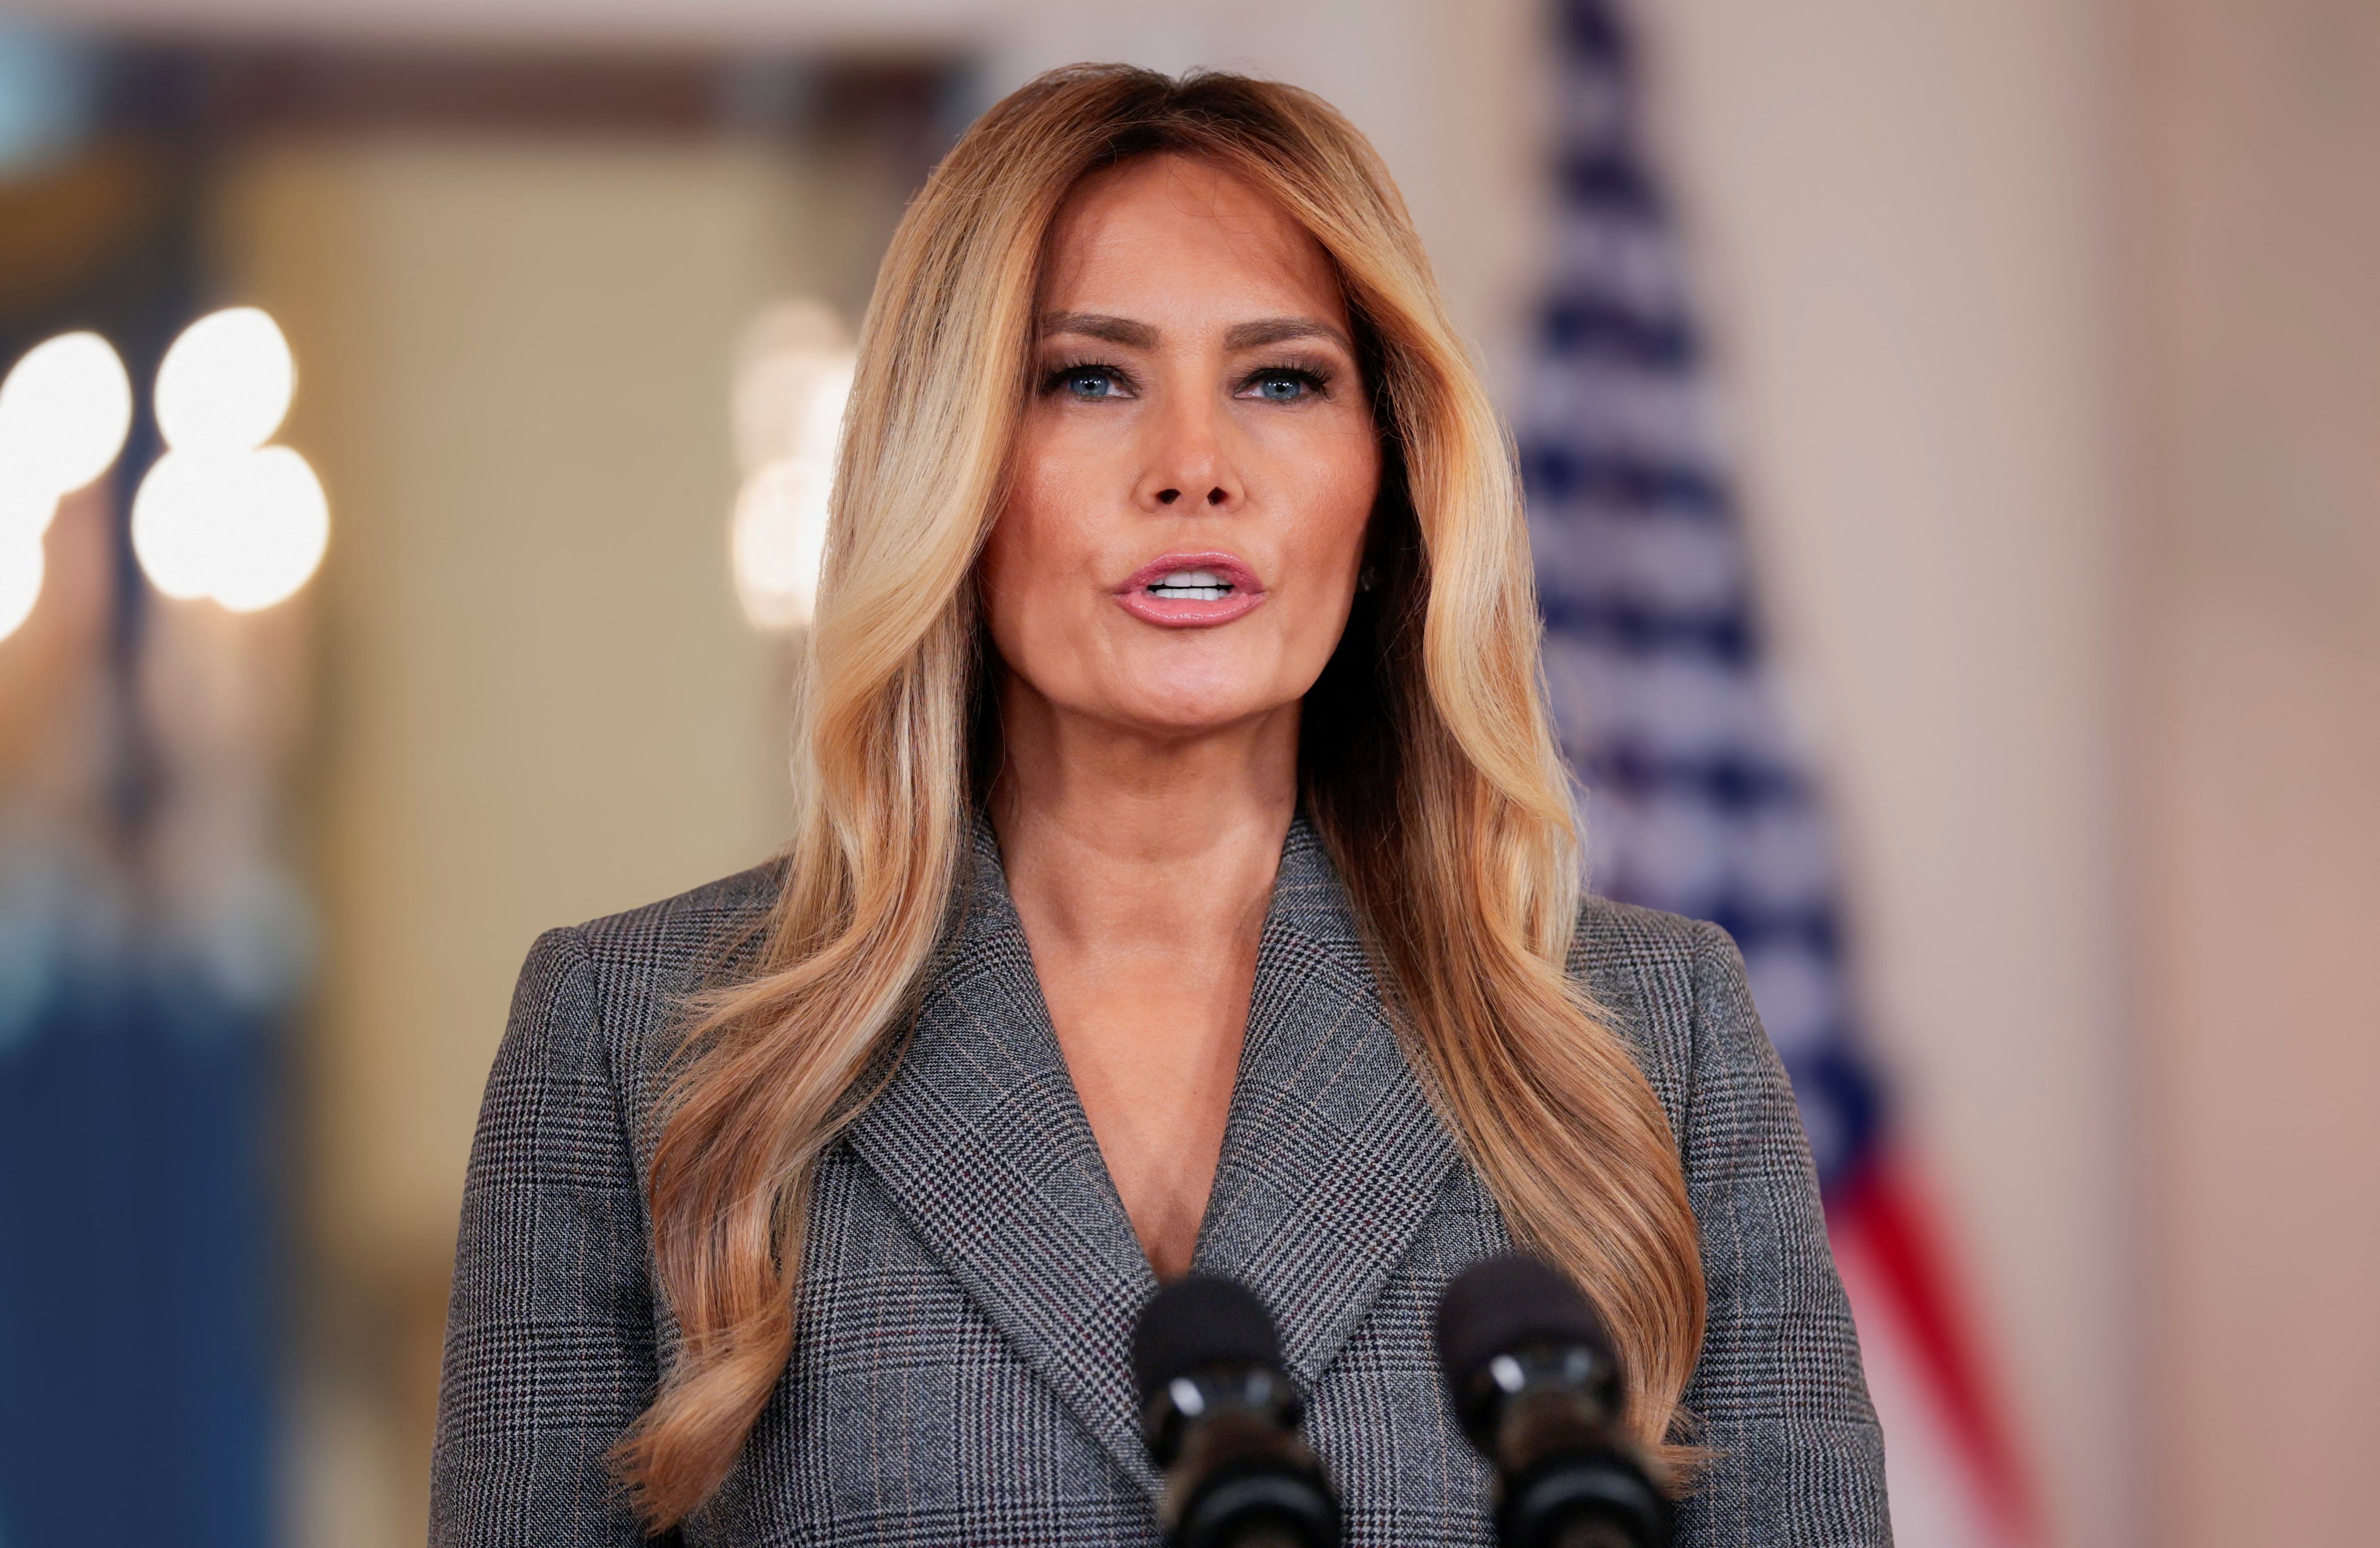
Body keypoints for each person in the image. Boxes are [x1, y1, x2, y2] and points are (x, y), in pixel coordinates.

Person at [430, 64, 1887, 1547]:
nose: (1194, 470)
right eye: (1087, 378)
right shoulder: (635, 1043)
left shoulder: (1654, 1039)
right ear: (953, 469)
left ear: (1388, 482)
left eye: (1280, 380)